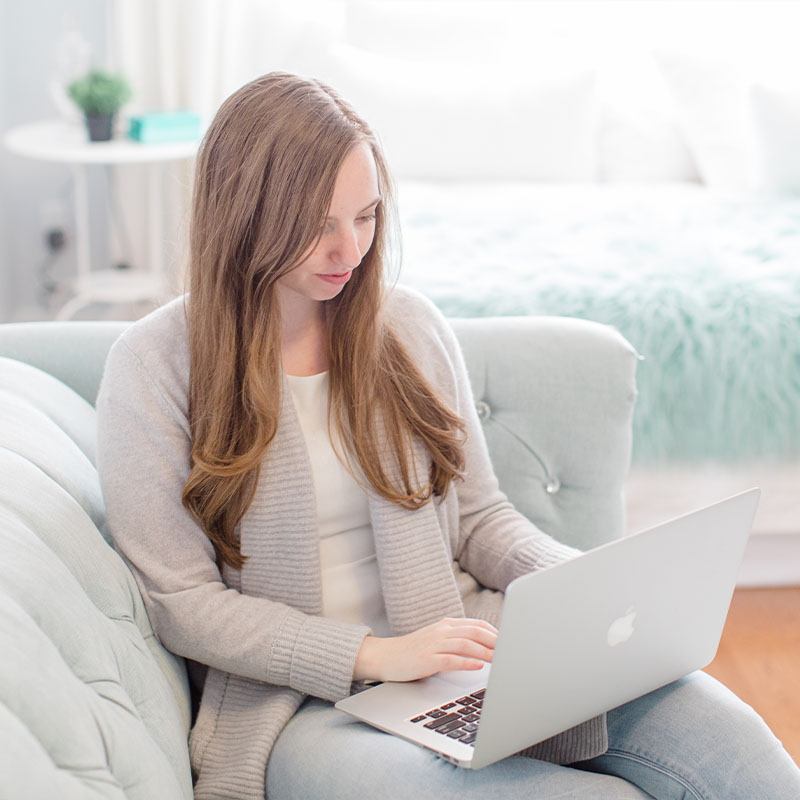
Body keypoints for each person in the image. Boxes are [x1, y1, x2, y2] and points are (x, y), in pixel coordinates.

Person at [96, 72, 800, 800]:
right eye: (319, 222)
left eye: (366, 216)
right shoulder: (154, 366)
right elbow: (182, 602)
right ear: (246, 211)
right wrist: (374, 654)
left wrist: (570, 588)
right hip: (302, 706)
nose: (350, 249)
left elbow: (480, 519)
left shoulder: (410, 329)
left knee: (735, 745)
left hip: (471, 652)